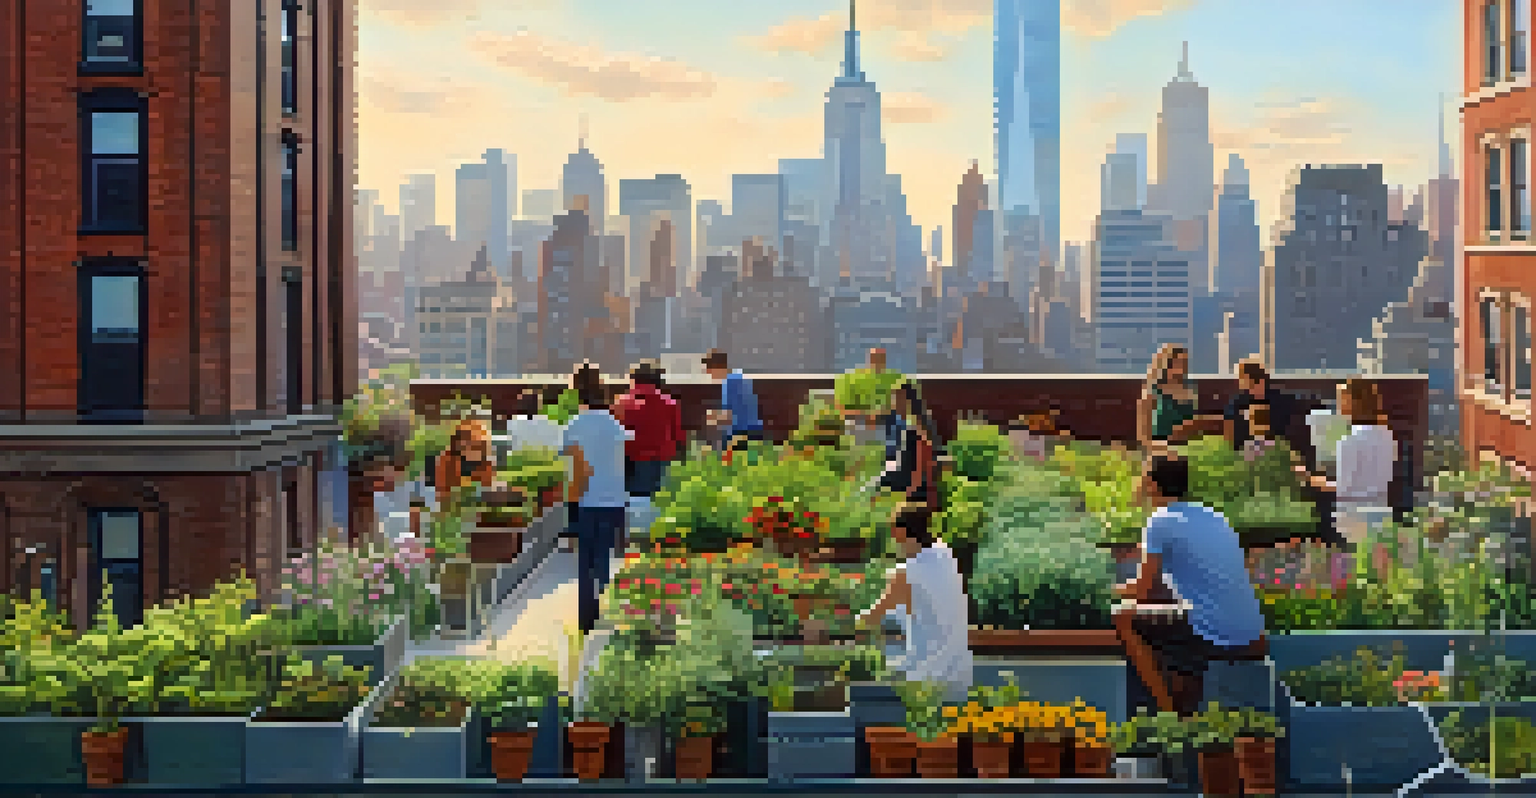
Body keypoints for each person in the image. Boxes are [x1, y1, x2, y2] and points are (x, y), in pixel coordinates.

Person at [1114, 455, 1266, 716]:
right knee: (1180, 628)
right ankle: (1185, 717)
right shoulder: (1213, 516)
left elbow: (1141, 591)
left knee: (1123, 617)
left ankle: (1167, 716)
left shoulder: (1159, 521)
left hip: (1213, 630)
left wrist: (1102, 590)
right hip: (1251, 629)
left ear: (1151, 484)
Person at [856, 504, 973, 702]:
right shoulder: (946, 556)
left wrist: (842, 624)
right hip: (959, 676)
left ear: (900, 532)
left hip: (925, 679)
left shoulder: (907, 573)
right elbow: (921, 604)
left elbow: (872, 617)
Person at [562, 362, 634, 635]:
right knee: (606, 558)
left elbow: (577, 468)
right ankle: (607, 611)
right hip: (615, 499)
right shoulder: (614, 424)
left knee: (586, 563)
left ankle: (587, 619)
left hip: (587, 501)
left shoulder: (576, 426)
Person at [1293, 378, 1396, 549]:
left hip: (1353, 518)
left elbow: (1344, 487)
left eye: (1341, 399)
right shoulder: (1387, 436)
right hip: (1380, 512)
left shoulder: (1349, 441)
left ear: (1353, 402)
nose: (1339, 405)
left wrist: (1309, 478)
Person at [613, 360, 683, 499]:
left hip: (632, 461)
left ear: (634, 380)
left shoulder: (622, 403)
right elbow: (678, 435)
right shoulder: (670, 403)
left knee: (636, 503)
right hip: (662, 461)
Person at [875, 381, 941, 511]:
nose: (893, 404)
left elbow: (923, 461)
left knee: (874, 485)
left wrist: (911, 490)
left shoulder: (917, 426)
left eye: (896, 399)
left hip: (913, 480)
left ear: (906, 399)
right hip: (907, 473)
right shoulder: (911, 423)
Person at [1138, 343, 1217, 448]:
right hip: (1160, 446)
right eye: (1178, 363)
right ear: (1166, 365)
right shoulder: (1152, 391)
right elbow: (1143, 436)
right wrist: (1161, 447)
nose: (1182, 368)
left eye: (1185, 363)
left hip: (1188, 445)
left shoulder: (1190, 389)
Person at [1223, 360, 1296, 451]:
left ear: (1261, 381)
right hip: (1243, 450)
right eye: (1244, 385)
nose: (1247, 390)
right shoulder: (1238, 401)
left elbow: (1288, 431)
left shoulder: (1281, 400)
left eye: (1249, 385)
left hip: (1275, 449)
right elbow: (1228, 426)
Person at [702, 349, 764, 450]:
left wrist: (713, 417)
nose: (708, 372)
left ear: (718, 367)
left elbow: (729, 416)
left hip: (743, 434)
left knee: (711, 447)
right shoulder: (738, 377)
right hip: (754, 431)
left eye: (709, 368)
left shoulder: (730, 383)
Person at [507, 388, 564, 453]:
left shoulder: (513, 423)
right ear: (539, 406)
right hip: (546, 460)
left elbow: (509, 448)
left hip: (520, 460)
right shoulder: (551, 424)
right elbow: (559, 447)